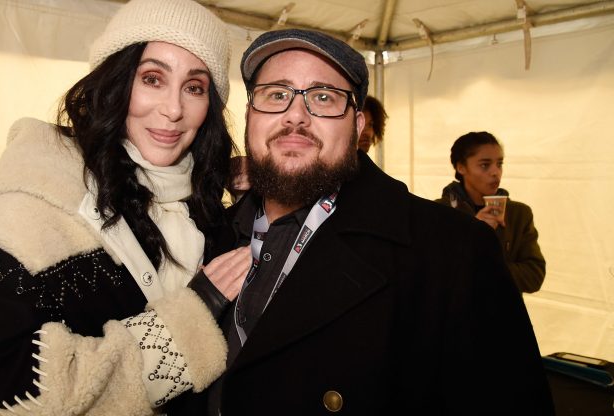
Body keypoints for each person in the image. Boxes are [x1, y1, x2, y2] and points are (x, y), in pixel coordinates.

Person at [169, 29, 553, 415]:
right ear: (250, 115)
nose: (295, 115)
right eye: (276, 95)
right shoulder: (204, 232)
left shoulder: (453, 251)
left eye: (323, 97)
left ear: (356, 127)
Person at [0, 0, 251, 415]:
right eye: (152, 79)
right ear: (115, 81)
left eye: (194, 87)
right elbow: (14, 391)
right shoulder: (35, 202)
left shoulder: (205, 205)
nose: (173, 109)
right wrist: (194, 317)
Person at [436, 132, 546, 293]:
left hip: (504, 308)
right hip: (456, 308)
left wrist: (483, 269)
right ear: (461, 167)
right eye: (485, 165)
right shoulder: (439, 212)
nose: (495, 172)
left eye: (499, 164)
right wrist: (472, 233)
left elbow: (534, 277)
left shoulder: (519, 214)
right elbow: (436, 273)